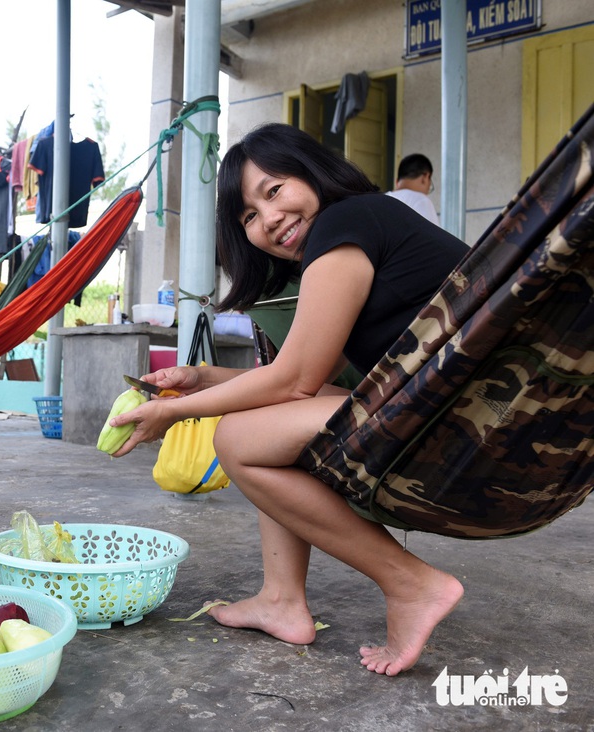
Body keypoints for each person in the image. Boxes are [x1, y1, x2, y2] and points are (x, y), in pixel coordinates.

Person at [108, 124, 468, 676]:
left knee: (238, 439)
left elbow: (296, 381)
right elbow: (331, 388)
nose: (268, 218)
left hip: (465, 416)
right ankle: (281, 600)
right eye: (248, 216)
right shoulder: (360, 229)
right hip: (452, 406)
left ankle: (411, 583)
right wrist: (203, 379)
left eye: (273, 191)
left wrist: (173, 412)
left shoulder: (348, 221)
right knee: (260, 416)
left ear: (315, 172)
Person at [386, 153, 439, 225]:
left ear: (397, 181)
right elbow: (432, 235)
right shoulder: (421, 200)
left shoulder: (382, 199)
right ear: (425, 177)